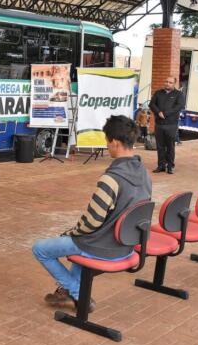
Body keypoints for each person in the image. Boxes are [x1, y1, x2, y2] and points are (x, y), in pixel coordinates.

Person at [32, 115, 151, 310]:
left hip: (103, 246)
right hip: (127, 245)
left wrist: (70, 233)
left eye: (107, 140)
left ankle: (79, 294)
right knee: (80, 244)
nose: (107, 145)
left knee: (41, 249)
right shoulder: (145, 174)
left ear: (114, 142)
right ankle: (67, 293)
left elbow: (91, 223)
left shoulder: (112, 179)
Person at [149, 76, 184, 174]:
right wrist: (158, 112)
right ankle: (161, 166)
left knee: (170, 146)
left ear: (174, 84)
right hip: (159, 124)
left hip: (171, 125)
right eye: (166, 81)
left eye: (170, 82)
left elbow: (179, 106)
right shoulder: (158, 93)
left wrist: (166, 113)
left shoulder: (178, 94)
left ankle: (170, 166)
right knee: (160, 146)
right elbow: (152, 104)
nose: (167, 84)